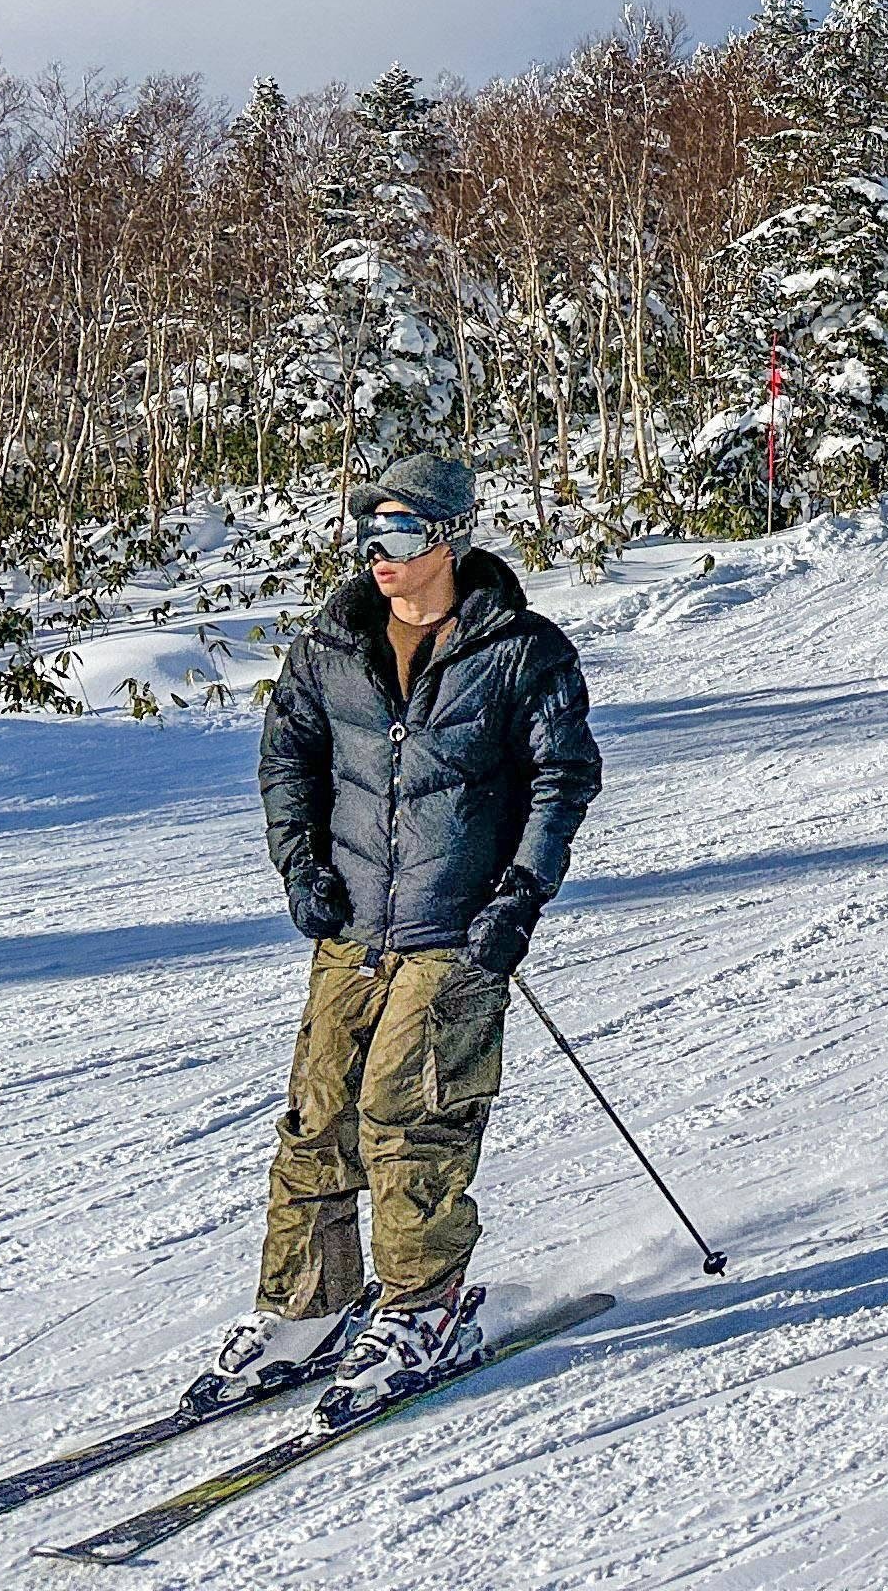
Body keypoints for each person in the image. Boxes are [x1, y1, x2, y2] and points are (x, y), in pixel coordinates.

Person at [192, 451, 602, 1426]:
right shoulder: (334, 645)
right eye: (370, 531)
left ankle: (426, 1310)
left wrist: (518, 895)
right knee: (317, 1119)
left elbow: (562, 780)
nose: (382, 552)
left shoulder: (521, 653)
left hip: (456, 931)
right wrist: (301, 864)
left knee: (407, 1117)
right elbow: (288, 750)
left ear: (452, 536)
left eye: (405, 533)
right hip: (352, 926)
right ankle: (308, 1310)